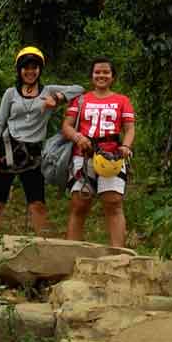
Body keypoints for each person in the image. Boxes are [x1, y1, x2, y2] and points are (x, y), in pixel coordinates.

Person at [0, 48, 81, 237]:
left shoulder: (48, 91)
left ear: (40, 69)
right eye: (25, 68)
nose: (30, 72)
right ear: (19, 70)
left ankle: (43, 245)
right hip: (8, 148)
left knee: (37, 203)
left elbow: (79, 89)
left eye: (34, 67)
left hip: (34, 153)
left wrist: (57, 98)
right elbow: (0, 121)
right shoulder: (10, 93)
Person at [62, 58, 135, 250]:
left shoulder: (122, 100)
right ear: (91, 75)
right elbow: (66, 126)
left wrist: (126, 146)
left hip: (112, 157)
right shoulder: (81, 99)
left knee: (114, 203)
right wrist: (78, 137)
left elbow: (129, 128)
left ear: (113, 77)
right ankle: (71, 253)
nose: (101, 75)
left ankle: (118, 254)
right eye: (97, 72)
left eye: (106, 72)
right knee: (79, 203)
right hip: (83, 155)